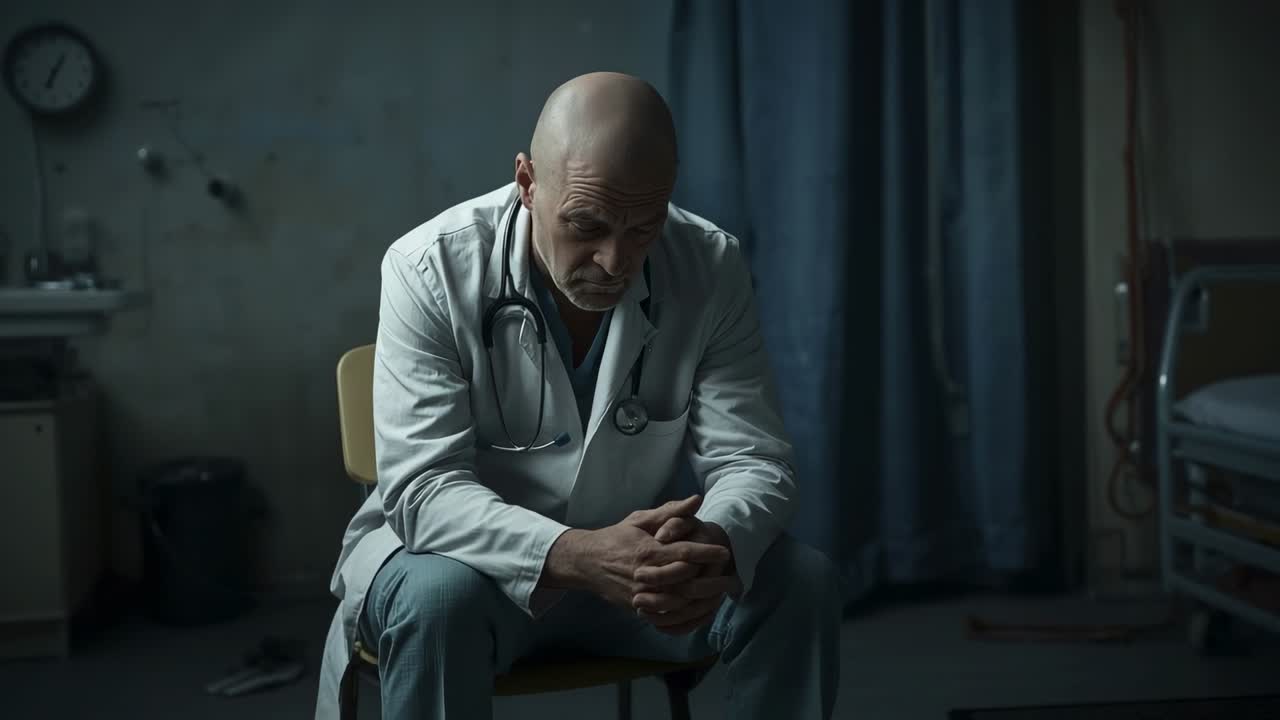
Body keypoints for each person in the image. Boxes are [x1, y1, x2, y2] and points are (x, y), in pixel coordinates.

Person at [315, 71, 841, 720]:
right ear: (527, 183)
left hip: (634, 579)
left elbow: (753, 459)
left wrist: (708, 544)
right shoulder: (429, 269)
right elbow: (422, 492)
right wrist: (578, 554)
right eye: (586, 225)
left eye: (643, 228)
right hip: (471, 573)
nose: (616, 261)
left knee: (799, 583)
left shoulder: (708, 265)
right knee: (436, 601)